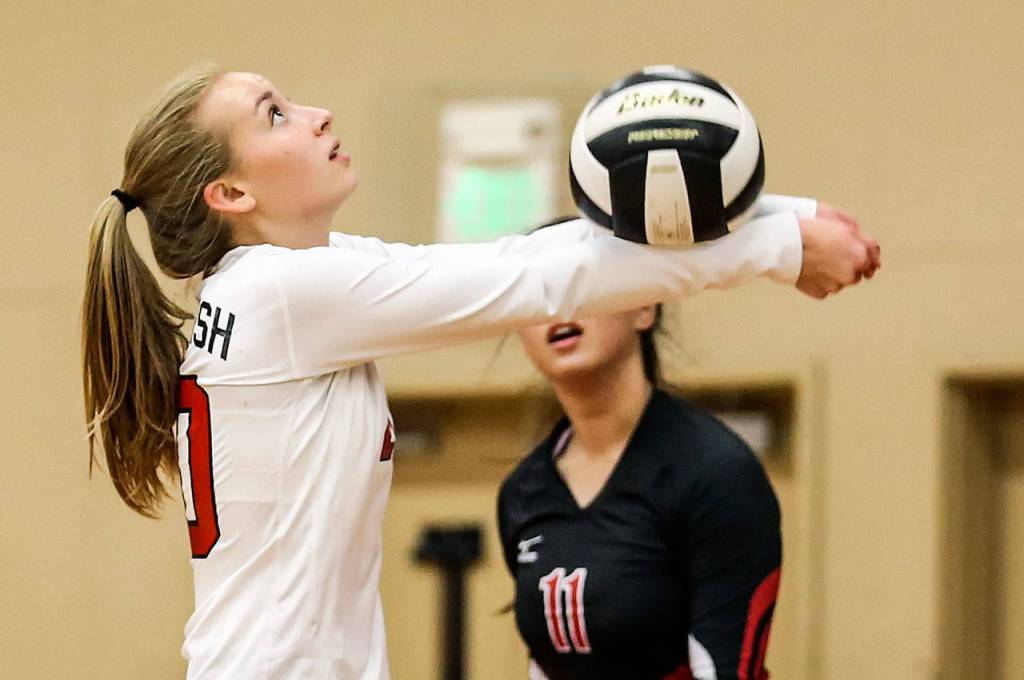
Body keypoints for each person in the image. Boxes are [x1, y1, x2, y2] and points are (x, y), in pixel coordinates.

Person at [80, 65, 879, 680]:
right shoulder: (283, 294)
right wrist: (780, 245)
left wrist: (785, 218)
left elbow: (532, 259)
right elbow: (535, 280)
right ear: (231, 190)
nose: (317, 114)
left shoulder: (288, 283)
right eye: (276, 116)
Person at [496, 268, 809, 679]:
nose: (560, 309)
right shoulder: (522, 491)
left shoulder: (715, 471)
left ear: (644, 307)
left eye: (581, 286)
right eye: (540, 296)